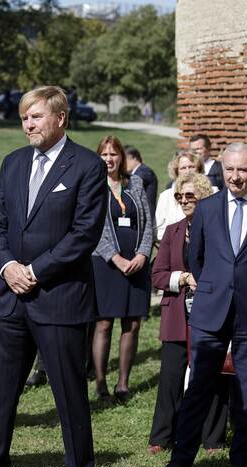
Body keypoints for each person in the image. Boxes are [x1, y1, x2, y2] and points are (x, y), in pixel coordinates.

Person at [0, 86, 107, 467]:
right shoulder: (14, 163)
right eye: (24, 118)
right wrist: (7, 267)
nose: (28, 125)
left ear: (61, 118)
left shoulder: (87, 166)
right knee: (0, 391)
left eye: (36, 117)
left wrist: (35, 271)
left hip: (59, 298)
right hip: (11, 298)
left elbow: (83, 235)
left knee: (68, 394)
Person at [151, 142, 247, 467]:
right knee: (198, 387)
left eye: (243, 169)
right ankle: (181, 459)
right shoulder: (208, 209)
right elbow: (197, 259)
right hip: (210, 311)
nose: (235, 176)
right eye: (229, 169)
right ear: (222, 170)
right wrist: (215, 288)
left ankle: (240, 461)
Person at [149, 173, 229, 454]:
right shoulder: (172, 231)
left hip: (211, 313)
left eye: (189, 196)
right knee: (170, 377)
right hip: (176, 315)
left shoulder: (220, 229)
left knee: (213, 376)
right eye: (179, 196)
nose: (183, 200)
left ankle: (213, 439)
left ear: (204, 197)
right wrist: (182, 277)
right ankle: (161, 437)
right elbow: (157, 275)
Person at [91, 135, 153, 403]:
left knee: (133, 323)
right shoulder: (92, 186)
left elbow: (148, 223)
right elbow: (92, 229)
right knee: (104, 323)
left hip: (136, 263)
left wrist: (142, 254)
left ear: (121, 157)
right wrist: (115, 258)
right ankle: (101, 382)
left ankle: (123, 383)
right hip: (106, 264)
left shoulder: (135, 184)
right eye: (104, 154)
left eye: (113, 154)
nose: (109, 159)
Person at [154, 150, 204, 242]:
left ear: (199, 169)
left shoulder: (211, 192)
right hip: (173, 247)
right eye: (183, 168)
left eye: (192, 167)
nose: (188, 171)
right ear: (176, 172)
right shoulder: (165, 197)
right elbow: (159, 231)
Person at [125, 145, 159, 217]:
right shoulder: (138, 172)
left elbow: (131, 186)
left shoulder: (144, 172)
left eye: (124, 160)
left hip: (146, 217)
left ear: (133, 158)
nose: (123, 164)